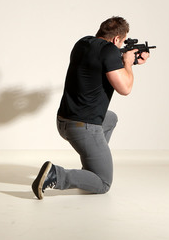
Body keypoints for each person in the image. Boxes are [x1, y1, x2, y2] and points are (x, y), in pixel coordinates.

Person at [32, 16, 150, 200]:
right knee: (103, 183)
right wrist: (127, 63)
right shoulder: (111, 51)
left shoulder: (82, 43)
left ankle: (90, 169)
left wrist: (131, 61)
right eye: (121, 42)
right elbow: (125, 88)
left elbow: (102, 63)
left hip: (64, 122)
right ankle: (56, 175)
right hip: (83, 127)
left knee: (111, 118)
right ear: (116, 39)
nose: (120, 47)